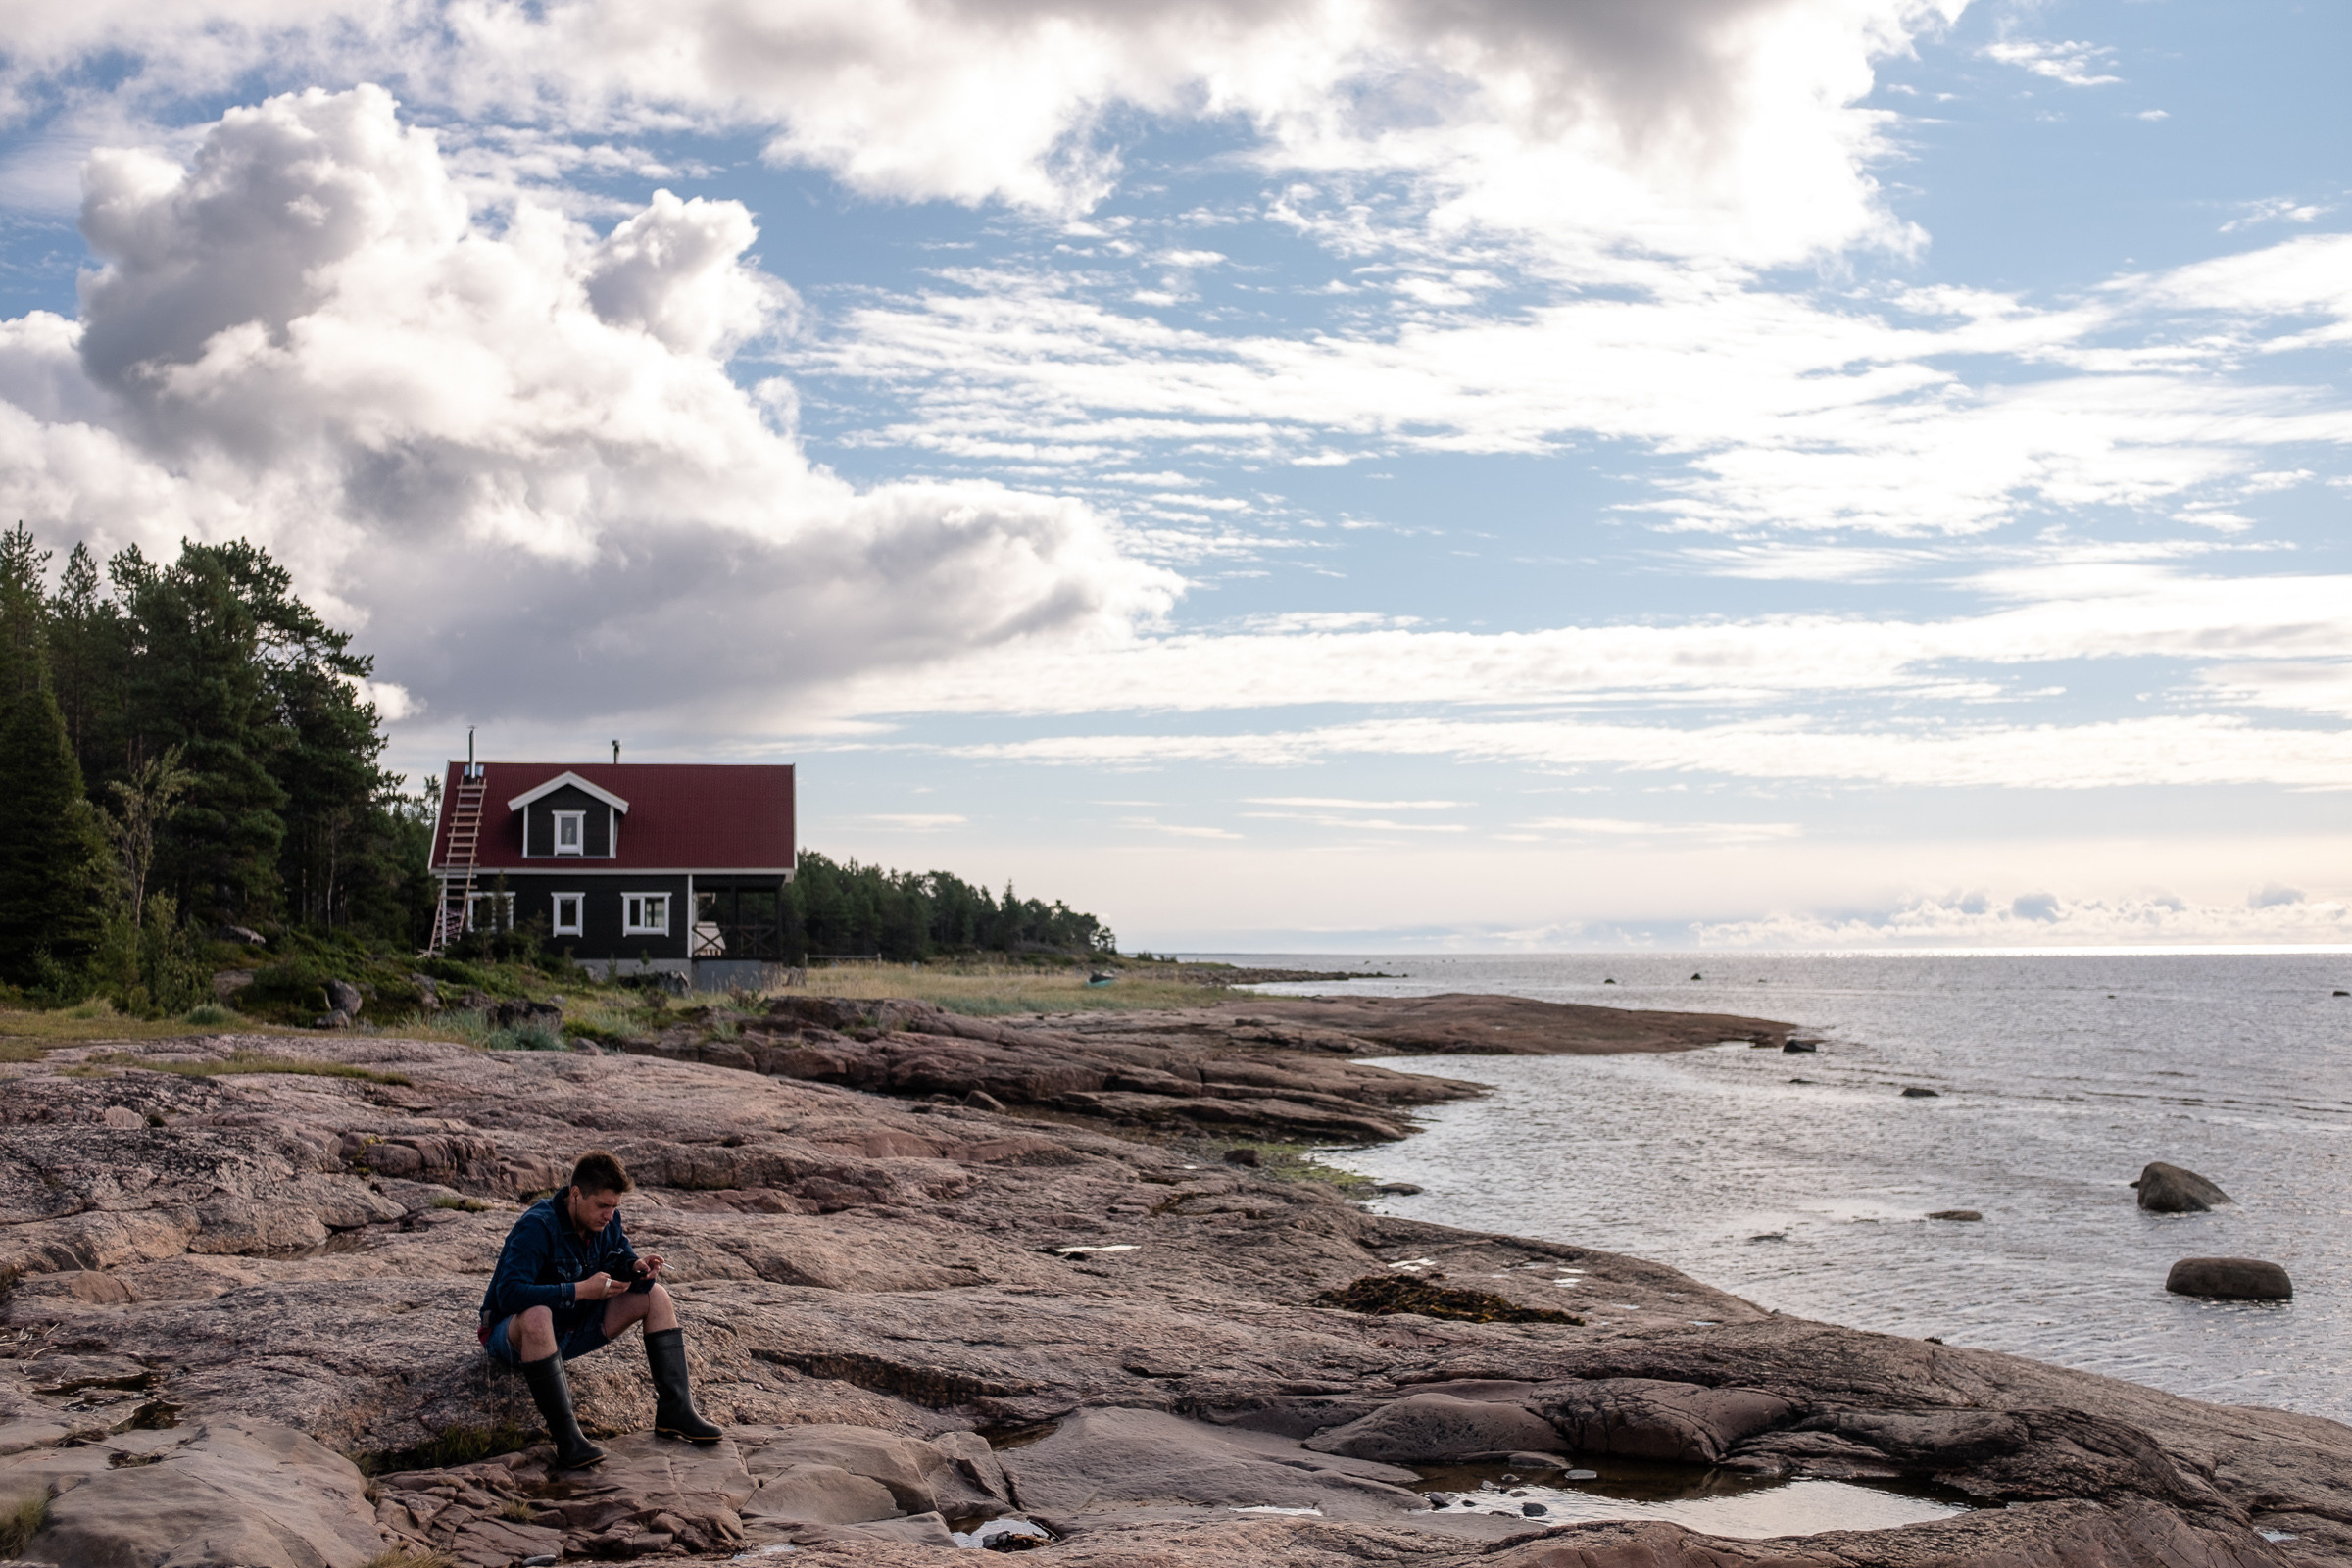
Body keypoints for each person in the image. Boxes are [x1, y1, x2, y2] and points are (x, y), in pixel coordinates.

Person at [479, 1150, 722, 1468]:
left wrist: (636, 1267)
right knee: (537, 1315)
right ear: (576, 1194)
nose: (609, 1215)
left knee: (657, 1296)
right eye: (603, 1206)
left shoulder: (607, 1221)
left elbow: (619, 1253)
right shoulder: (537, 1226)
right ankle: (569, 1441)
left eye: (614, 1207)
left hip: (571, 1329)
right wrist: (581, 1290)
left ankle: (675, 1411)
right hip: (512, 1338)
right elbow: (509, 1295)